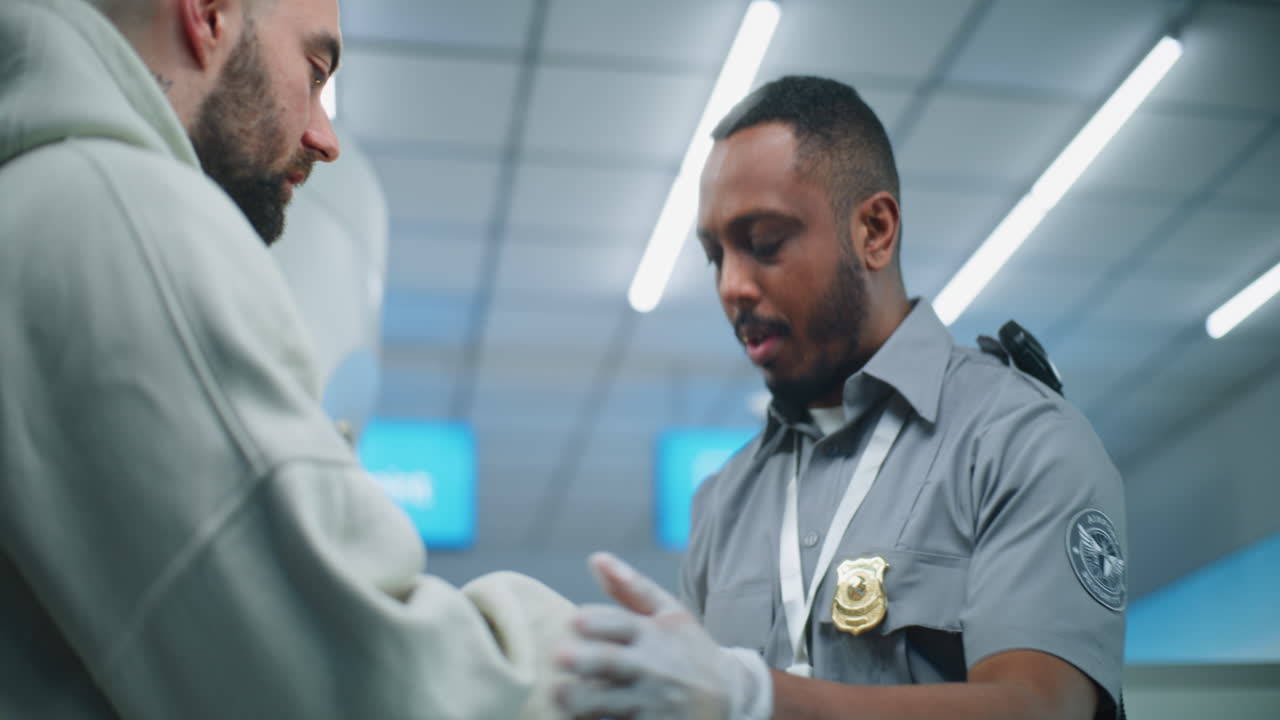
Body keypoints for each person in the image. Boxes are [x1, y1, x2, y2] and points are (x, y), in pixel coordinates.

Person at [0, 0, 576, 717]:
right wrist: (605, 656)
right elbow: (370, 683)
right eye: (313, 71)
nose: (325, 137)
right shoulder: (121, 214)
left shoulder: (27, 198)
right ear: (208, 16)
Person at [555, 75, 1127, 720]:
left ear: (874, 230)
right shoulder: (725, 499)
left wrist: (757, 697)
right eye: (716, 256)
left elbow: (1041, 708)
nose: (732, 286)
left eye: (764, 243)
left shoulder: (1019, 441)